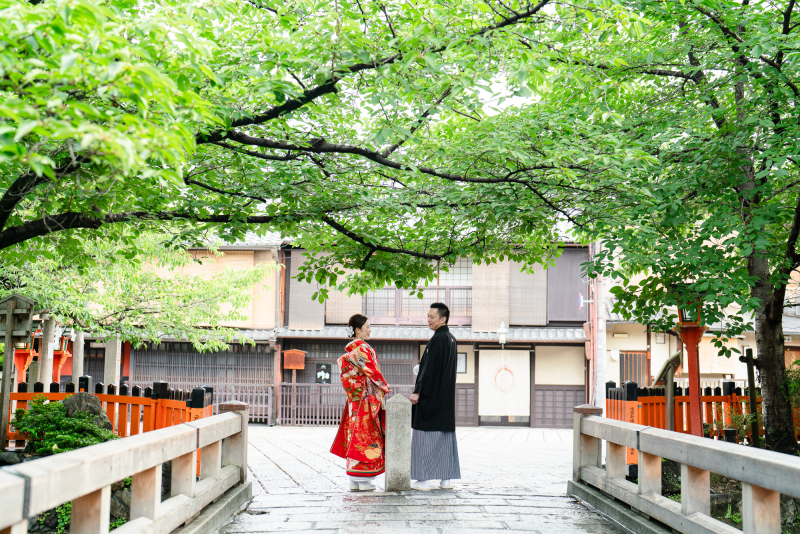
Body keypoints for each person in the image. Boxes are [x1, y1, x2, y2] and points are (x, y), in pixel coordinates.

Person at [330, 314, 390, 491]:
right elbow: (372, 371)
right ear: (358, 330)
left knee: (353, 434)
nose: (370, 330)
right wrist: (384, 387)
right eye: (368, 326)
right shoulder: (362, 349)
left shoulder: (349, 352)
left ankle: (354, 479)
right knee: (366, 435)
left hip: (354, 401)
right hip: (365, 401)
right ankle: (363, 478)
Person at [409, 302, 461, 490]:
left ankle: (423, 480)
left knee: (423, 437)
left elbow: (429, 369)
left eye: (432, 317)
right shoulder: (452, 339)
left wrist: (417, 391)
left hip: (431, 397)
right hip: (445, 398)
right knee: (444, 437)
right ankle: (445, 479)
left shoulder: (437, 339)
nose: (428, 320)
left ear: (443, 319)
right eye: (428, 316)